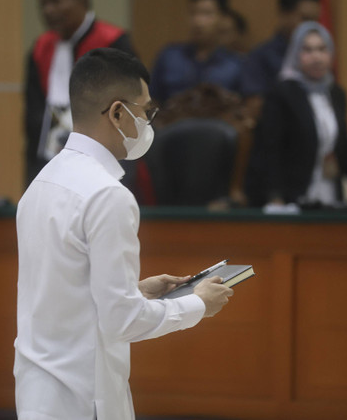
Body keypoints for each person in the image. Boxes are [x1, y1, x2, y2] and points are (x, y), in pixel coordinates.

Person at [14, 48, 234, 420]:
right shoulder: (107, 195)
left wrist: (136, 290)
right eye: (146, 111)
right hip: (86, 398)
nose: (149, 122)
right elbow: (124, 321)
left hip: (38, 393)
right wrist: (198, 305)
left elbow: (62, 291)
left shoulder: (43, 180)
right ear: (118, 113)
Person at [245, 22, 347, 207]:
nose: (316, 57)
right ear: (295, 54)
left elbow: (344, 149)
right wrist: (274, 196)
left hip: (329, 195)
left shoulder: (336, 94)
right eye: (308, 50)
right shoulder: (282, 93)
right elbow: (270, 150)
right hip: (291, 197)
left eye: (322, 49)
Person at [24, 0, 137, 186]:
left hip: (104, 155)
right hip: (48, 156)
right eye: (43, 4)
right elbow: (33, 112)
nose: (48, 10)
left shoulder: (113, 42)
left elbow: (130, 105)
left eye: (56, 2)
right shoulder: (40, 48)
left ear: (82, 1)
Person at [239, 0, 322, 121]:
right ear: (284, 14)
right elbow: (255, 107)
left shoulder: (318, 58)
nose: (311, 27)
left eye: (315, 20)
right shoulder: (260, 57)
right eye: (305, 19)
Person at [149, 0, 243, 104]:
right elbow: (152, 99)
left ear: (223, 18)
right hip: (171, 120)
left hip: (217, 121)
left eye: (206, 13)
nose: (198, 21)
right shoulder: (169, 56)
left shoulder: (236, 64)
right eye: (193, 13)